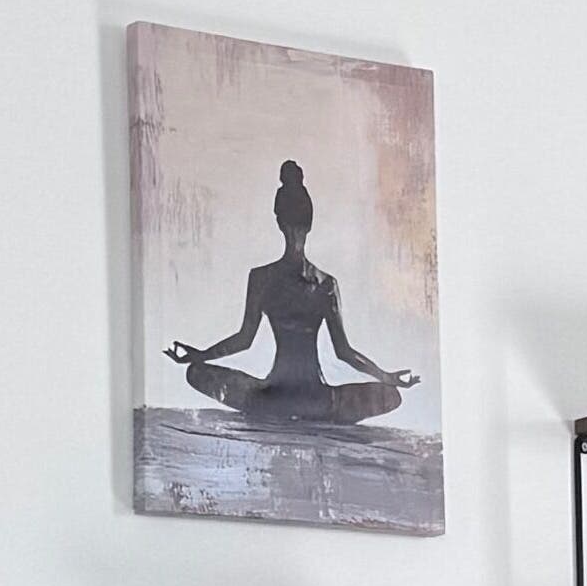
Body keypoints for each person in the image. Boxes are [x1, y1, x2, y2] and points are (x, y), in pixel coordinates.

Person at [164, 160, 419, 423]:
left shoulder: (262, 278)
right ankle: (314, 409)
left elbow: (244, 339)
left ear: (279, 222)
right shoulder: (325, 284)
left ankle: (277, 405)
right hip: (319, 401)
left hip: (271, 397)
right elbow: (344, 352)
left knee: (196, 372)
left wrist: (199, 356)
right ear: (310, 223)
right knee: (390, 395)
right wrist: (386, 377)